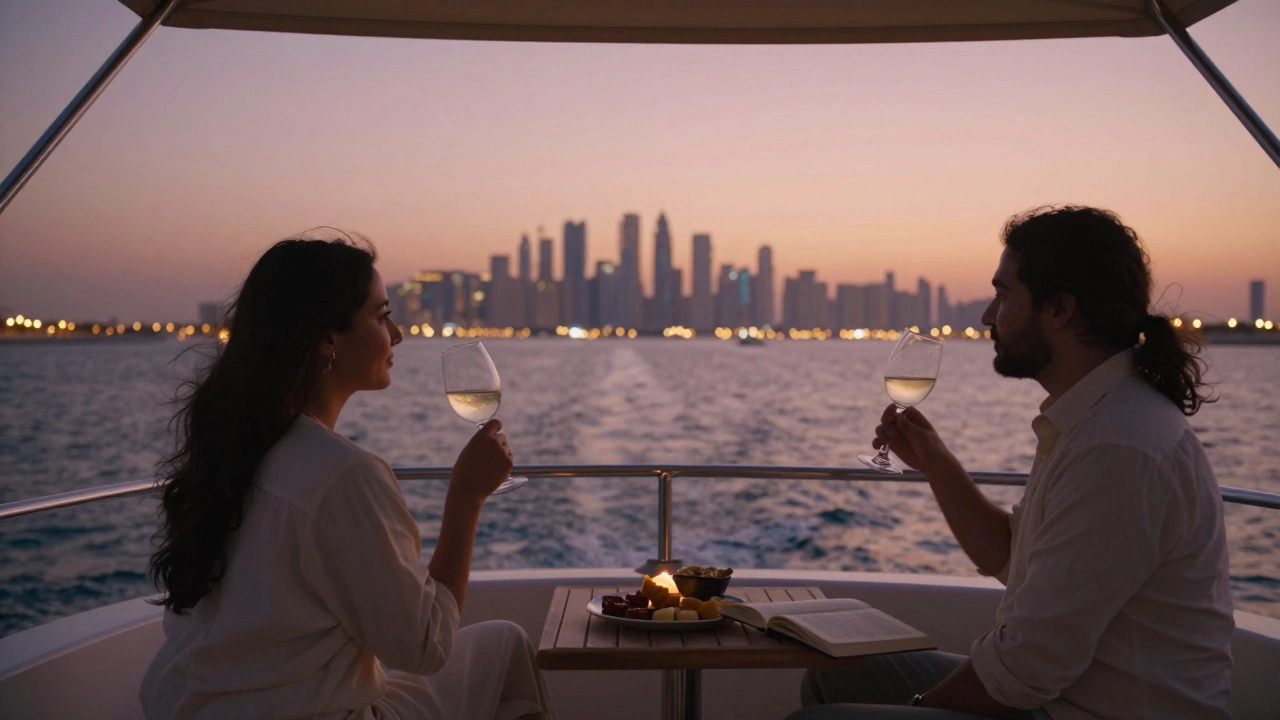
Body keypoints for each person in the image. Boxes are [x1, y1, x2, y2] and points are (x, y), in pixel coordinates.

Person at [791, 206, 1233, 720]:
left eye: (1003, 295)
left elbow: (1028, 666)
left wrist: (918, 709)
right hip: (1060, 696)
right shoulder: (1090, 420)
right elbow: (1008, 555)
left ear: (1060, 309)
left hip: (1095, 710)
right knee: (836, 675)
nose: (986, 316)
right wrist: (936, 463)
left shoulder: (1118, 447)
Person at [140, 236, 554, 720]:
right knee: (507, 646)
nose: (397, 334)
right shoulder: (342, 474)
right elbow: (426, 647)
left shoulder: (234, 450)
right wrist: (466, 498)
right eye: (381, 316)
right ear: (327, 339)